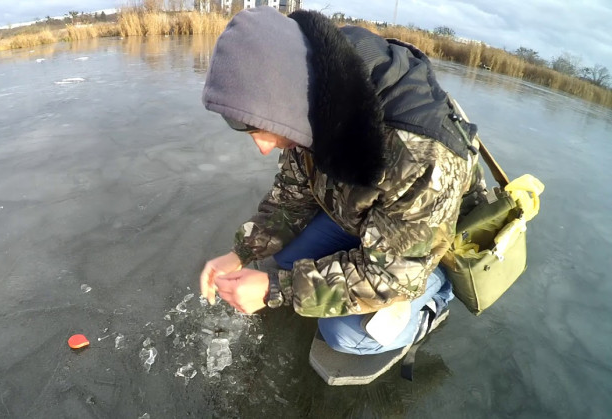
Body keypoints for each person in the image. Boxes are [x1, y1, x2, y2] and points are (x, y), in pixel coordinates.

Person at [199, 7, 487, 356]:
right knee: (288, 258)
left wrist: (274, 289)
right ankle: (356, 259)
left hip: (423, 242)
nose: (262, 147)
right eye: (246, 127)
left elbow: (395, 276)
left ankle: (436, 296)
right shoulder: (304, 99)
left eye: (261, 128)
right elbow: (291, 198)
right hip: (369, 216)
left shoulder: (421, 153)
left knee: (343, 332)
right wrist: (239, 253)